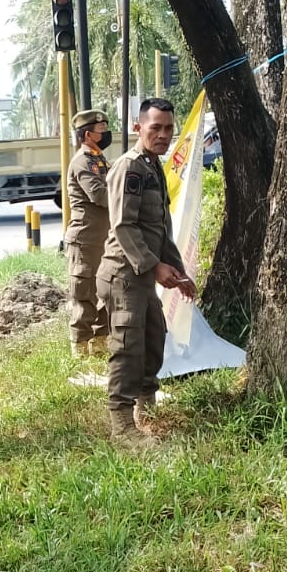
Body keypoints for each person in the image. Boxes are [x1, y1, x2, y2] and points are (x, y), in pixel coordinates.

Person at [97, 98, 197, 442]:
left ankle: (145, 408)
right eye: (156, 127)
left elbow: (159, 227)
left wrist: (178, 272)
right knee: (128, 345)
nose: (164, 134)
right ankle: (122, 427)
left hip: (143, 274)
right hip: (124, 275)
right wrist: (156, 268)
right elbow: (124, 225)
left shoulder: (152, 165)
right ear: (138, 128)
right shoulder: (129, 168)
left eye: (169, 128)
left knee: (154, 339)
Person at [65, 107, 112, 357]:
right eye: (100, 130)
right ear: (87, 135)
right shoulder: (83, 162)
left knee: (105, 289)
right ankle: (81, 346)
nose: (105, 133)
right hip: (85, 239)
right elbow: (99, 194)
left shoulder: (100, 159)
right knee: (84, 293)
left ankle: (101, 340)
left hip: (104, 238)